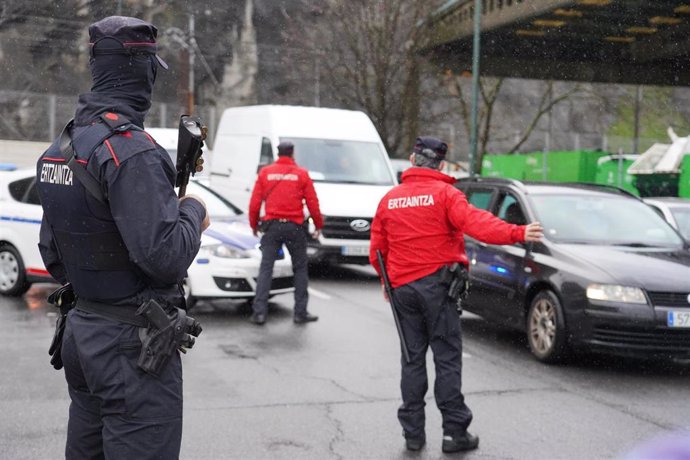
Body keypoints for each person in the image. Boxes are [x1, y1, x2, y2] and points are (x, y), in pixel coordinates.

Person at [35, 16, 209, 459]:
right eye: (152, 66)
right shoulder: (131, 150)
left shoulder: (61, 148)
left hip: (83, 335)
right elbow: (165, 256)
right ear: (140, 69)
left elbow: (52, 255)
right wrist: (192, 210)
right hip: (132, 348)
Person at [369, 136, 543, 453]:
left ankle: (413, 434)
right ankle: (453, 433)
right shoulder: (447, 195)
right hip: (438, 288)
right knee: (447, 359)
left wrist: (386, 281)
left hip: (402, 290)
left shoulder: (390, 199)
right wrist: (517, 232)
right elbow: (478, 224)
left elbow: (378, 248)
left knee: (412, 360)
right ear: (442, 164)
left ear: (411, 159)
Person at [248, 140, 323, 325]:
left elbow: (255, 203)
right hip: (294, 227)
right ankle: (300, 313)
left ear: (278, 153)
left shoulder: (266, 173)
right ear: (292, 153)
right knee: (299, 269)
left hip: (272, 227)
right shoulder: (301, 174)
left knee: (266, 268)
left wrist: (254, 225)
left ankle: (259, 313)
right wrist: (319, 225)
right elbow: (313, 203)